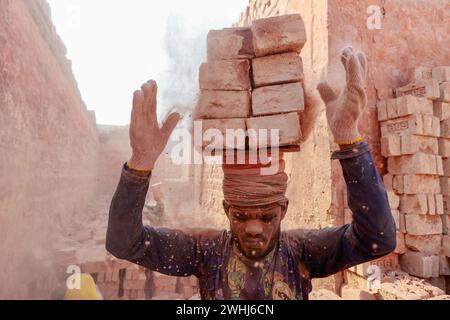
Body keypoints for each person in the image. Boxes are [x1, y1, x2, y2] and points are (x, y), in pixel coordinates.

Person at [106, 47, 396, 300]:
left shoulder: (303, 252)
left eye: (267, 216)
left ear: (283, 210)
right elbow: (124, 243)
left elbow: (377, 239)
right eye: (240, 216)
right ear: (226, 209)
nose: (254, 228)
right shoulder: (206, 252)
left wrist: (349, 140)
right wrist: (139, 165)